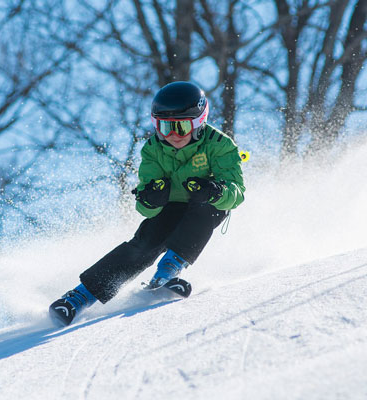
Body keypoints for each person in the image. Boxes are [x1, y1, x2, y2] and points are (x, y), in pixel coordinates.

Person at [49, 81, 245, 326]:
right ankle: (79, 297)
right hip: (171, 206)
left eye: (181, 127)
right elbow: (145, 207)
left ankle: (168, 271)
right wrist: (151, 198)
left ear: (198, 123)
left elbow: (237, 193)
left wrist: (215, 191)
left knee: (206, 210)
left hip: (206, 204)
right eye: (164, 127)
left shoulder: (220, 144)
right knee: (145, 242)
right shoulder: (153, 149)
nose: (172, 135)